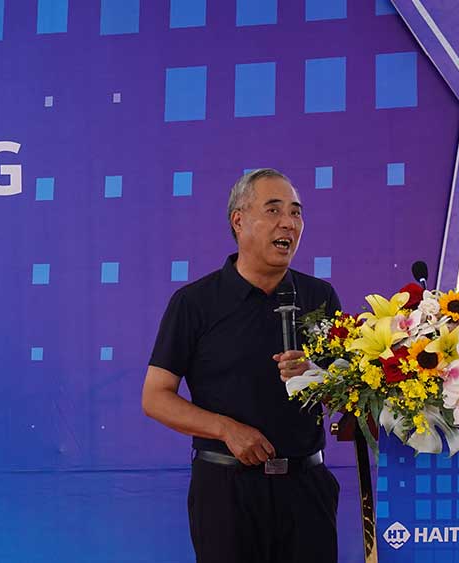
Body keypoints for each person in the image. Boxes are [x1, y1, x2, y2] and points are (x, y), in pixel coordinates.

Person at [142, 168, 343, 563]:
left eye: (296, 212)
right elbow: (155, 397)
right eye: (273, 210)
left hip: (306, 490)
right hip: (226, 493)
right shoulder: (194, 303)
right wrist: (225, 429)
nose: (288, 223)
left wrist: (319, 377)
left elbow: (347, 393)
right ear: (239, 220)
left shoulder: (319, 297)